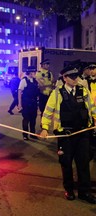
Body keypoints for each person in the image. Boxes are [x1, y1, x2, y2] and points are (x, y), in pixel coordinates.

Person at [40, 64, 96, 204]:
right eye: (71, 77)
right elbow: (48, 111)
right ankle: (69, 190)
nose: (75, 79)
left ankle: (85, 192)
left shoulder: (83, 90)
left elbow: (92, 108)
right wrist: (45, 128)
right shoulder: (57, 93)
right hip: (65, 135)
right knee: (66, 163)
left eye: (76, 76)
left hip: (83, 132)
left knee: (83, 163)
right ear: (65, 78)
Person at [18, 66, 39, 140]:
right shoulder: (24, 80)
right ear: (30, 72)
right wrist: (19, 104)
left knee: (33, 120)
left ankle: (32, 134)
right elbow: (20, 92)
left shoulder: (35, 81)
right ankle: (25, 135)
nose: (35, 73)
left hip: (33, 103)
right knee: (26, 119)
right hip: (26, 103)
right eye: (34, 72)